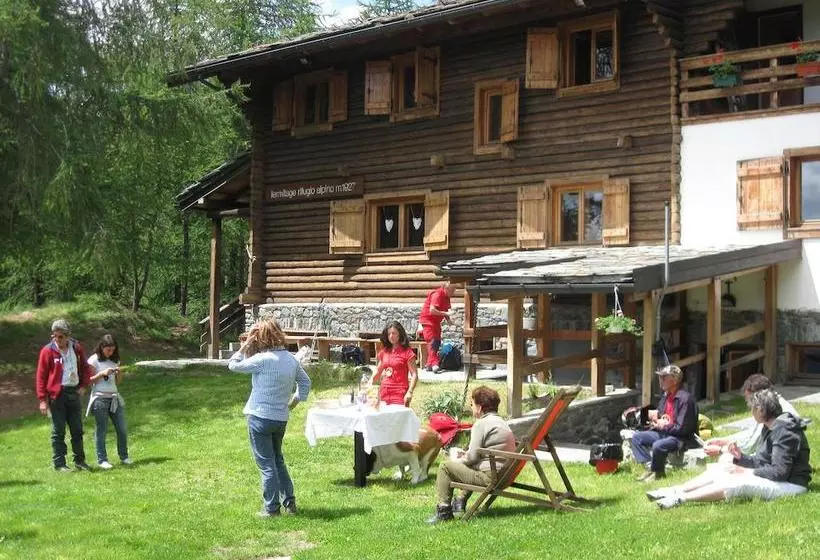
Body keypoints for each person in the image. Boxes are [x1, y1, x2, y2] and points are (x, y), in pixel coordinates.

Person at [650, 390, 811, 509]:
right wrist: (740, 457)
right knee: (722, 468)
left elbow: (780, 472)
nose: (751, 412)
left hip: (792, 484)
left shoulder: (784, 432)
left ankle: (681, 499)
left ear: (761, 411)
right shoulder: (769, 427)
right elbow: (761, 461)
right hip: (778, 478)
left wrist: (745, 471)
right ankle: (675, 490)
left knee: (737, 483)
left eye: (752, 409)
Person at [229, 319, 311, 517]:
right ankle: (289, 503)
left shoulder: (263, 360)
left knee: (267, 464)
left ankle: (271, 509)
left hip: (259, 417)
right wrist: (293, 402)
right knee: (278, 460)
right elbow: (305, 382)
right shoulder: (291, 360)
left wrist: (245, 346)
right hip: (280, 418)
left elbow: (233, 365)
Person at [427, 386, 515, 523]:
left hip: (491, 478)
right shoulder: (500, 422)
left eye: (472, 404)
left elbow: (472, 458)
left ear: (479, 408)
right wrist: (467, 455)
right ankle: (460, 501)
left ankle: (443, 511)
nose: (471, 407)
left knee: (445, 467)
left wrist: (458, 459)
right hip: (505, 475)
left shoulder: (481, 424)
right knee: (471, 465)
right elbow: (480, 454)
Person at [35, 319, 93, 472]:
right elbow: (41, 377)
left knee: (77, 429)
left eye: (60, 336)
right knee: (58, 431)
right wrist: (42, 400)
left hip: (73, 393)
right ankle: (59, 464)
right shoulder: (47, 351)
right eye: (54, 336)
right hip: (57, 395)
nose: (57, 339)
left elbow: (86, 368)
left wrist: (84, 386)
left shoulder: (76, 348)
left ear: (68, 336)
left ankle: (80, 461)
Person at [704, 373, 800, 458]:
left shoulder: (774, 413)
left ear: (758, 397)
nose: (748, 405)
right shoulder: (772, 406)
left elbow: (750, 447)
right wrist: (724, 441)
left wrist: (721, 450)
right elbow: (752, 435)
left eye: (749, 400)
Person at [630, 364, 697, 482]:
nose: (661, 380)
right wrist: (653, 415)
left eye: (664, 377)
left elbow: (682, 429)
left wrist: (664, 425)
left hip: (680, 438)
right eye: (661, 377)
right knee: (636, 438)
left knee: (658, 446)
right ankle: (649, 468)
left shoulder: (685, 399)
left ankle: (658, 474)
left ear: (675, 380)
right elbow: (662, 415)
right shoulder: (667, 396)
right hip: (665, 433)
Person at [86, 334, 131, 469]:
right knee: (102, 430)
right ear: (102, 347)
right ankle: (102, 460)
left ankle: (124, 456)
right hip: (100, 398)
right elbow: (89, 381)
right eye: (108, 350)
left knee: (122, 428)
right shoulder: (93, 360)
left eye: (113, 350)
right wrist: (102, 373)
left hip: (114, 398)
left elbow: (118, 382)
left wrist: (119, 373)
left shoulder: (115, 360)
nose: (110, 352)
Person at [367, 321, 418, 406]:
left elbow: (414, 374)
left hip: (400, 393)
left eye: (394, 333)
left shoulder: (407, 352)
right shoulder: (384, 351)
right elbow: (378, 371)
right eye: (389, 334)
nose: (391, 336)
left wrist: (410, 392)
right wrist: (369, 383)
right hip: (384, 391)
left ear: (400, 334)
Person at [417, 281, 456, 372]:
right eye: (452, 290)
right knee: (432, 341)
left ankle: (429, 365)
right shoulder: (437, 295)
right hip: (428, 321)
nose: (454, 293)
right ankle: (435, 364)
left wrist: (448, 319)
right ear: (446, 288)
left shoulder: (447, 297)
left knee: (437, 341)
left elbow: (445, 310)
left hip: (435, 322)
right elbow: (432, 310)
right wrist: (446, 313)